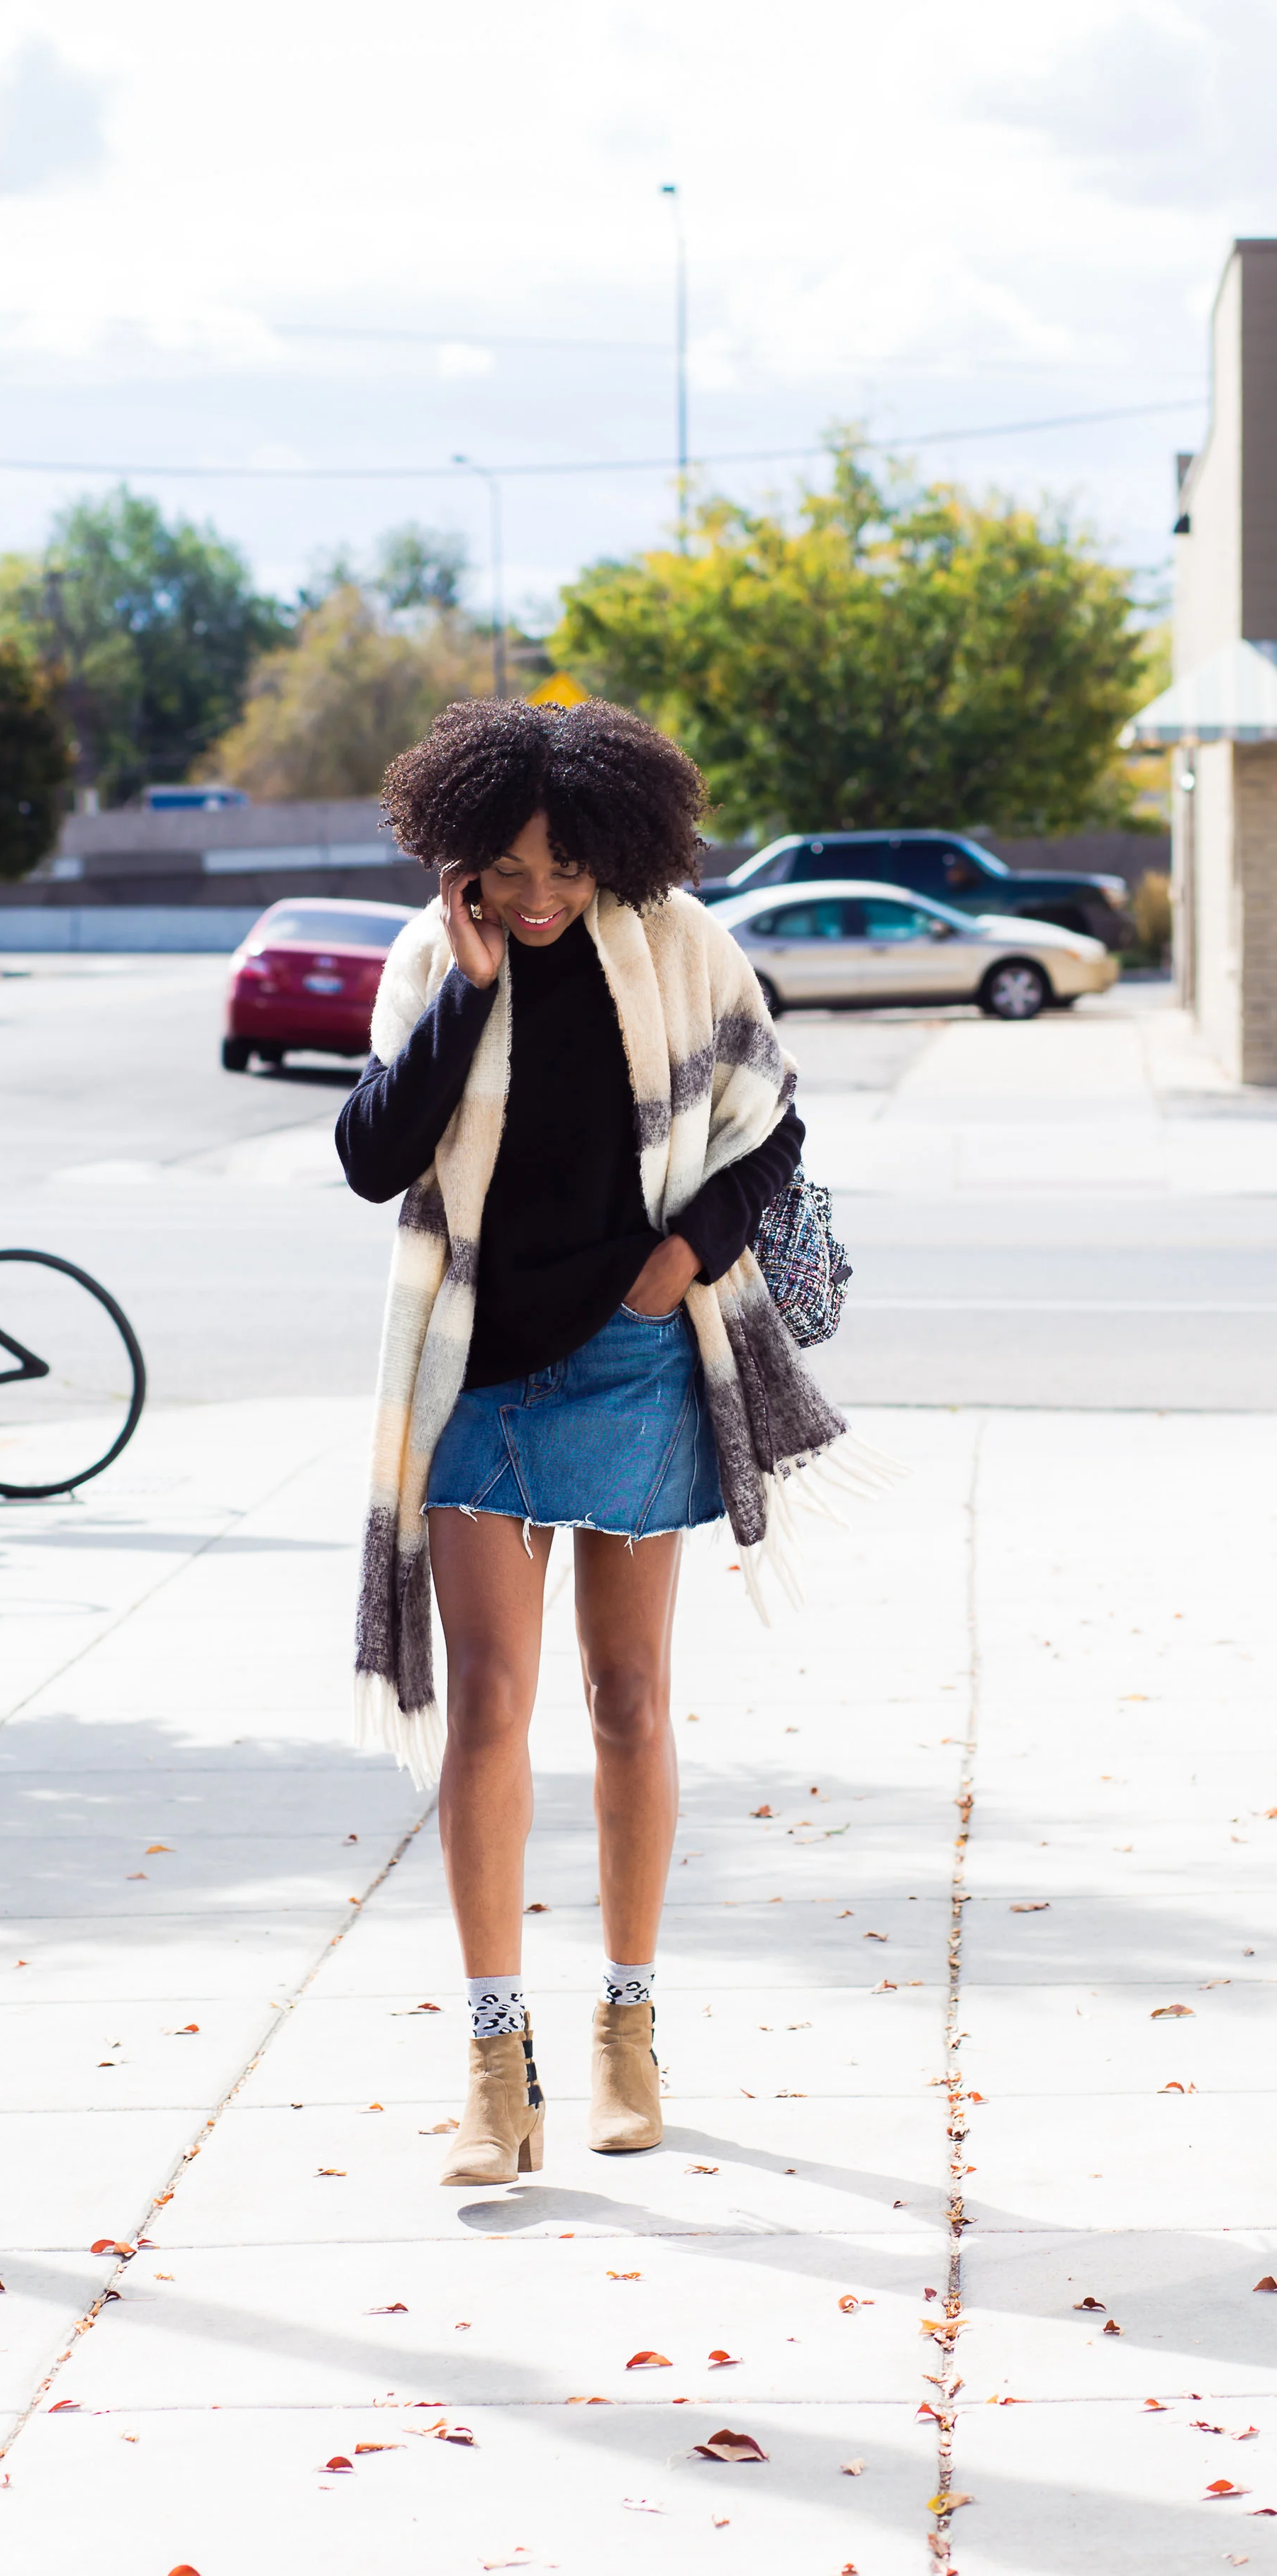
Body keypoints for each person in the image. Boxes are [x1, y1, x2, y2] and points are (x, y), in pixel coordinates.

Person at [337, 695, 849, 2187]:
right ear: (458, 860)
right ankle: (497, 2073)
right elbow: (374, 1157)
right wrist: (466, 992)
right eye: (507, 870)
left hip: (631, 1361)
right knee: (489, 1702)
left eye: (563, 871)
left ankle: (627, 2029)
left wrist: (680, 1258)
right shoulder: (438, 959)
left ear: (614, 851)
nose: (540, 897)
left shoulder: (683, 946)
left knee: (625, 1699)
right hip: (473, 1376)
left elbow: (770, 1129)